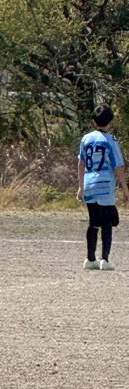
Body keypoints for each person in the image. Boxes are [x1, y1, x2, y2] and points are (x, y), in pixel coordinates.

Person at [78, 106, 128, 271]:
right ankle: (104, 259)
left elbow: (81, 163)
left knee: (93, 222)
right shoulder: (111, 140)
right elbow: (118, 166)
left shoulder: (86, 139)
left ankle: (90, 258)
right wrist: (125, 189)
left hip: (89, 184)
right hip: (105, 185)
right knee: (107, 222)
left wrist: (80, 186)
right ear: (111, 122)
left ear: (94, 121)